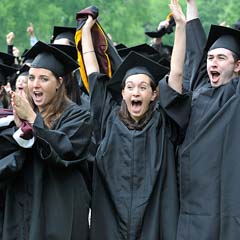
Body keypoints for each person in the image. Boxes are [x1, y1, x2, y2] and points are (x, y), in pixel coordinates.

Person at [82, 0, 191, 239]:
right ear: (122, 93)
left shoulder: (164, 124)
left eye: (143, 87)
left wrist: (181, 26)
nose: (135, 92)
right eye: (130, 87)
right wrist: (86, 31)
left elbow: (177, 74)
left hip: (155, 224)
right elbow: (92, 73)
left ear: (154, 94)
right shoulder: (107, 119)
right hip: (110, 222)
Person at [0, 41, 92, 240]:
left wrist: (33, 121)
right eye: (32, 78)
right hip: (23, 210)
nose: (35, 84)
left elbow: (65, 151)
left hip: (59, 213)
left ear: (59, 82)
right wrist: (19, 129)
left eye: (44, 79)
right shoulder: (20, 116)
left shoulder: (78, 117)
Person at [177, 0, 240, 239]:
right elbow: (195, 51)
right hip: (192, 202)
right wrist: (191, 6)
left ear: (238, 66)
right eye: (211, 57)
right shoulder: (200, 90)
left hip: (223, 200)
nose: (213, 62)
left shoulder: (236, 95)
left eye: (221, 58)